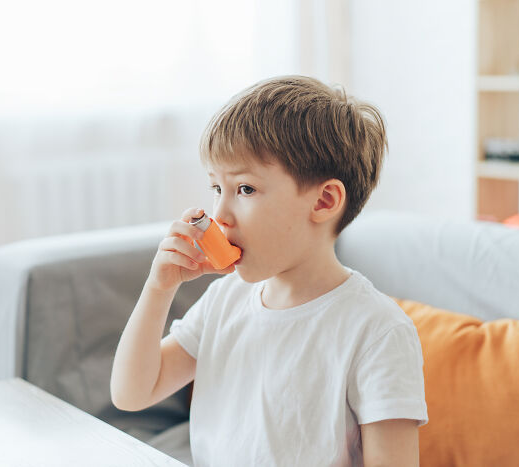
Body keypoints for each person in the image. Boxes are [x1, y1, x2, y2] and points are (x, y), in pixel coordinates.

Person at [110, 75, 428, 466]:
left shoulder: (377, 331)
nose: (220, 215)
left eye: (244, 189)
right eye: (216, 188)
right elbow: (131, 393)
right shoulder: (224, 301)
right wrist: (158, 289)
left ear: (324, 200)